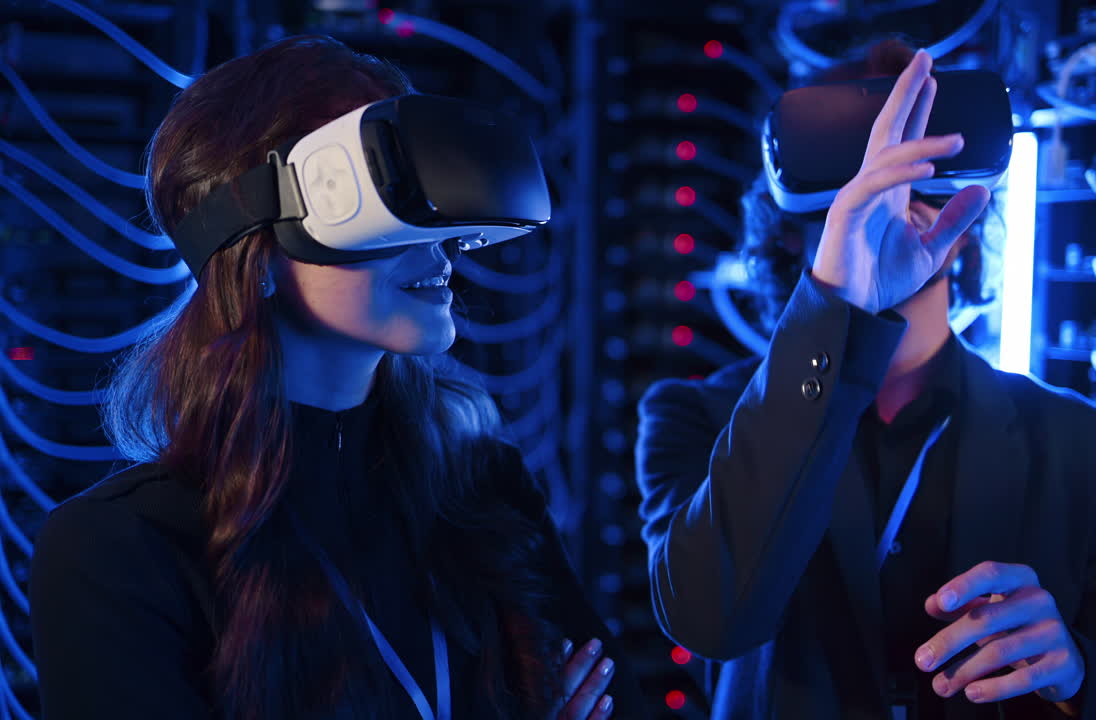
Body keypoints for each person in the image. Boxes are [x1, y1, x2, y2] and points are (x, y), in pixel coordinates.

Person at [30, 35, 639, 720]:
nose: (435, 242)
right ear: (253, 243)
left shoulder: (485, 492)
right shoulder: (118, 552)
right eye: (387, 193)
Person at [635, 41, 1096, 719]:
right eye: (866, 170)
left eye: (920, 163)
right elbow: (706, 620)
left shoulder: (1080, 441)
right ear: (788, 228)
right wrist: (837, 297)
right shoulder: (695, 415)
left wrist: (1076, 671)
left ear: (969, 217)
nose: (896, 196)